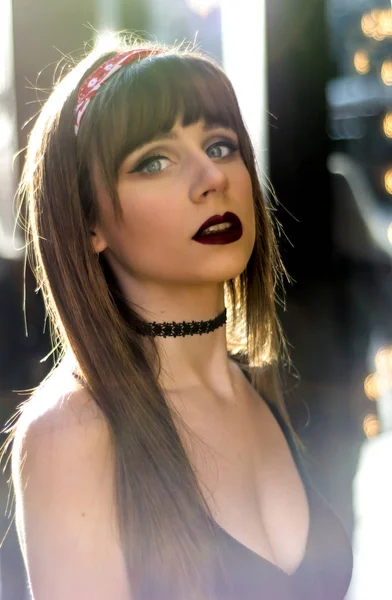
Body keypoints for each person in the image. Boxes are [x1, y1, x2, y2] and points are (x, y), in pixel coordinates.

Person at [7, 33, 353, 600]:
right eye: (154, 161)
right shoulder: (74, 432)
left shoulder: (255, 381)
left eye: (219, 146)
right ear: (89, 221)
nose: (212, 178)